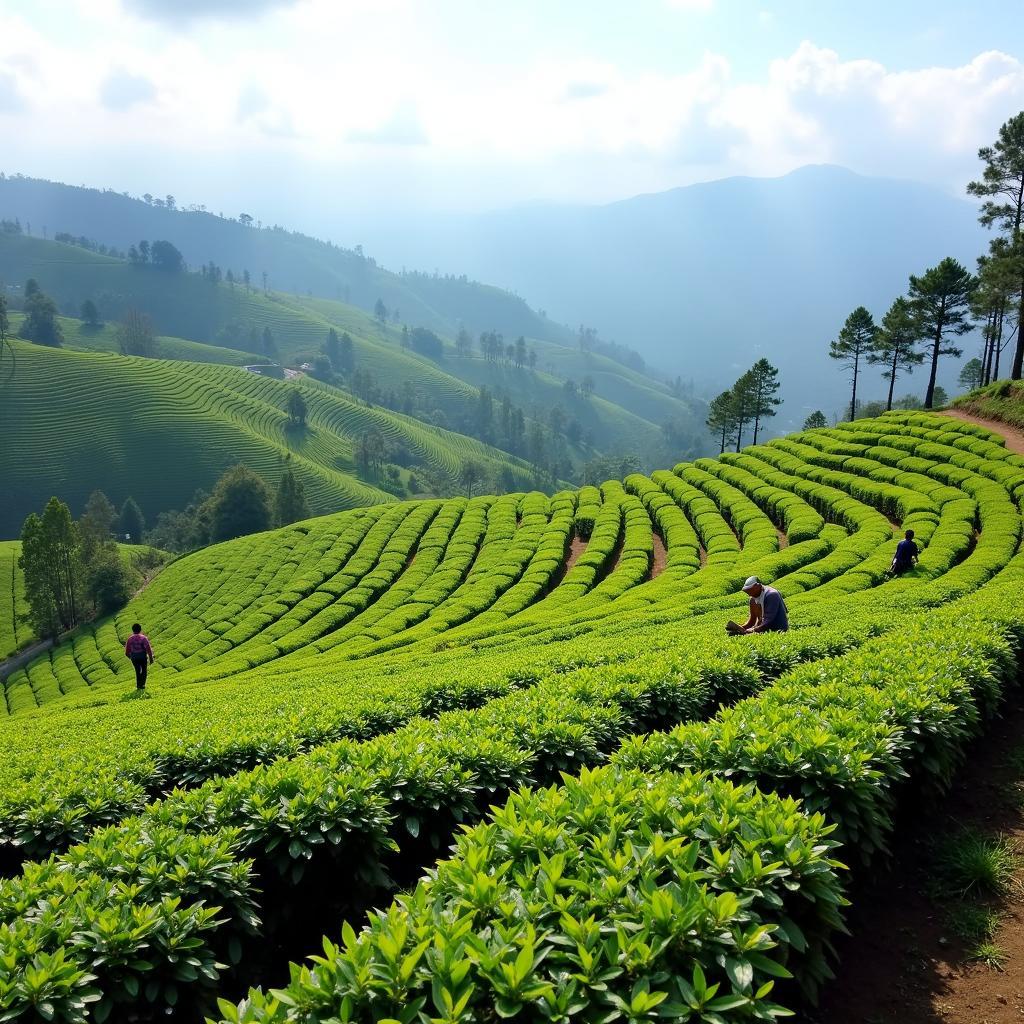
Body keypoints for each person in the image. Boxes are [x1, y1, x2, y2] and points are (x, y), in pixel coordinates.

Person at [124, 622, 155, 689]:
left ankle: (138, 686)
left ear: (133, 630)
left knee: (137, 671)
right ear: (140, 629)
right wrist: (151, 658)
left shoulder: (130, 639)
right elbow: (148, 649)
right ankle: (142, 685)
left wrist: (131, 657)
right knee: (144, 670)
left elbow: (126, 652)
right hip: (142, 657)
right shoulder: (144, 638)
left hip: (134, 657)